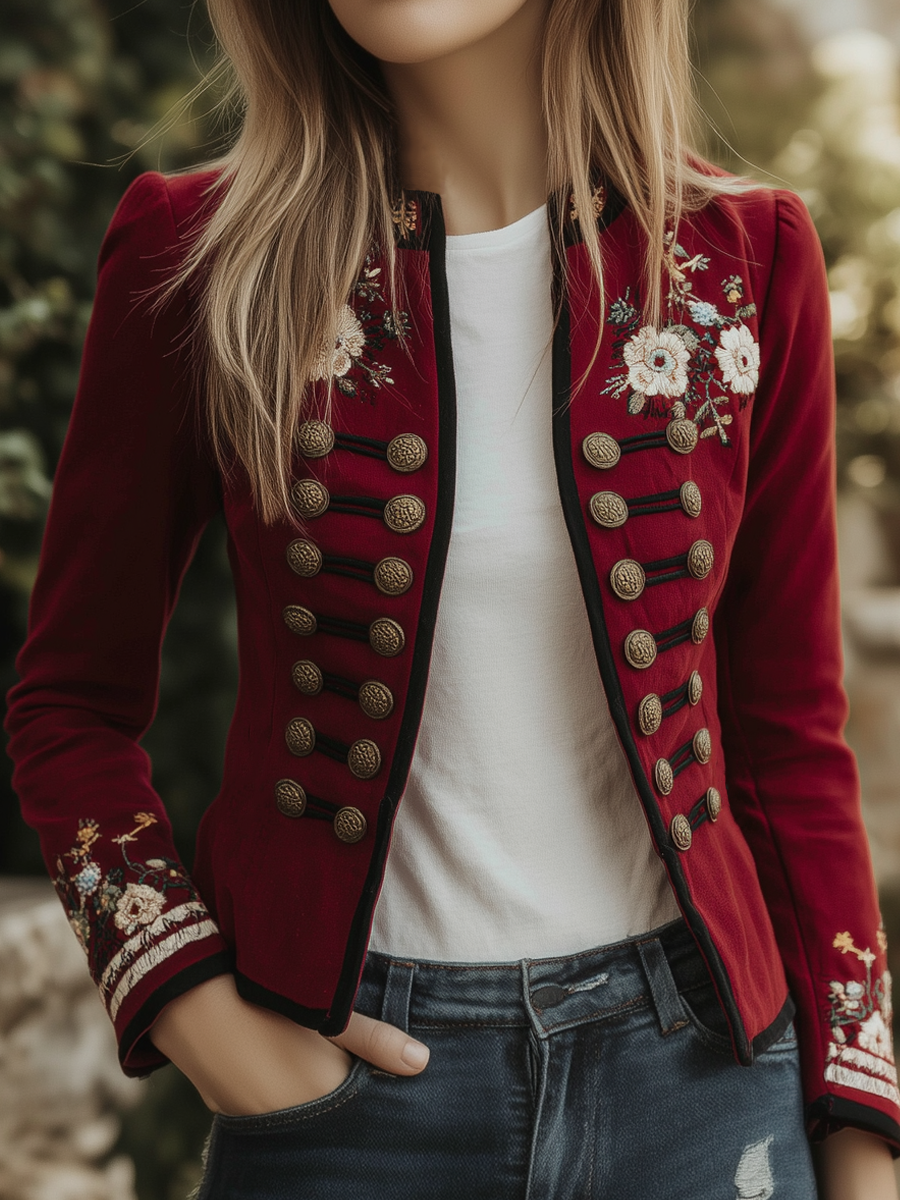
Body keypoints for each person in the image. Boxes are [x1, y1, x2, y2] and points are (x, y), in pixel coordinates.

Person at [6, 0, 900, 1195]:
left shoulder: (748, 259)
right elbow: (67, 706)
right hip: (346, 1098)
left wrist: (860, 1146)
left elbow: (790, 744)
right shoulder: (205, 251)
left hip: (704, 1088)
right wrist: (194, 1009)